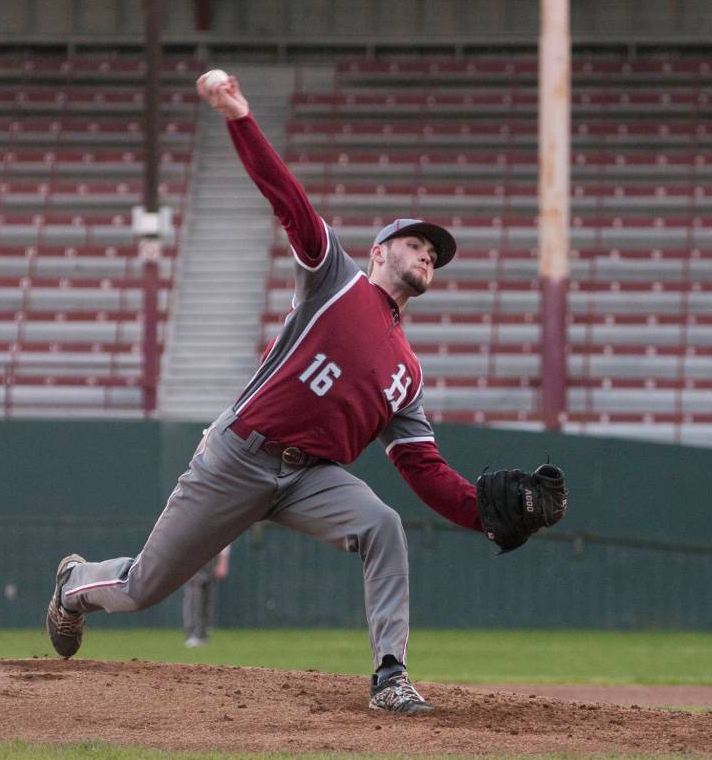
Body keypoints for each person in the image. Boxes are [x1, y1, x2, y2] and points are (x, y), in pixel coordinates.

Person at [45, 71, 485, 715]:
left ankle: (390, 675)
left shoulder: (408, 373)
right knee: (143, 588)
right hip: (239, 456)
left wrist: (485, 514)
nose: (425, 256)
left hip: (309, 477)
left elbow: (424, 469)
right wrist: (239, 117)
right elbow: (289, 200)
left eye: (432, 255)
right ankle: (74, 584)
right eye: (414, 244)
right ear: (378, 252)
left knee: (383, 525)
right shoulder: (335, 280)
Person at [183, 545, 230, 647]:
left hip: (212, 554)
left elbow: (224, 538)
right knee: (194, 594)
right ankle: (192, 635)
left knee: (207, 598)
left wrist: (223, 561)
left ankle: (203, 634)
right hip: (193, 553)